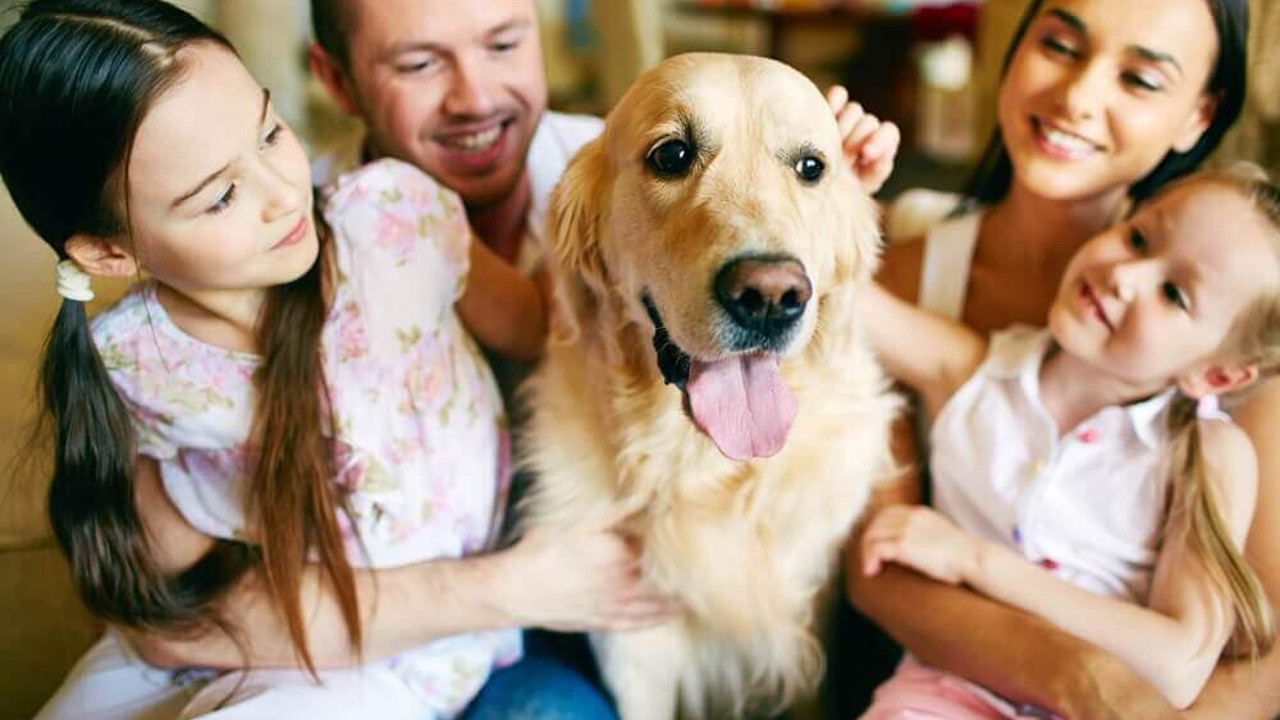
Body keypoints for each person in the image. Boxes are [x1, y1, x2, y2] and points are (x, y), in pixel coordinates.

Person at [0, 2, 674, 718]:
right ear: (109, 253)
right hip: (275, 642)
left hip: (414, 658)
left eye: (270, 132)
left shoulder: (395, 218)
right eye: (222, 195)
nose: (280, 193)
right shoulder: (138, 367)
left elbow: (547, 327)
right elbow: (174, 619)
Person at [304, 1, 904, 715]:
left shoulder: (599, 144)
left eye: (502, 42)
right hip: (444, 628)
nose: (475, 97)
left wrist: (826, 188)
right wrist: (508, 588)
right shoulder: (290, 235)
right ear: (337, 82)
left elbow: (901, 328)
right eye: (419, 62)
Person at [844, 0, 1280, 718]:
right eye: (1060, 44)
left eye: (1140, 80)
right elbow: (877, 568)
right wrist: (826, 179)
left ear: (1202, 114)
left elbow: (1240, 658)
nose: (1078, 98)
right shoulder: (949, 324)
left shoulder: (1234, 324)